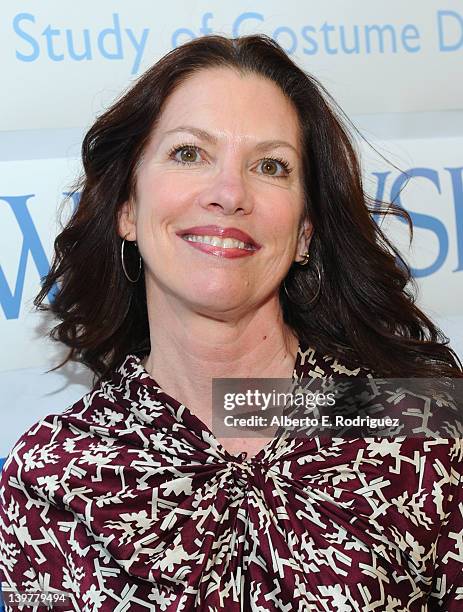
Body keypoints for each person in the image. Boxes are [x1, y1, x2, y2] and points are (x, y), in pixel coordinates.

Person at [0, 34, 462, 611]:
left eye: (270, 166)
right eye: (189, 153)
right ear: (127, 209)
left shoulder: (416, 429)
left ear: (304, 234)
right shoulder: (51, 478)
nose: (229, 194)